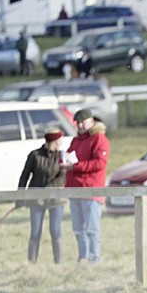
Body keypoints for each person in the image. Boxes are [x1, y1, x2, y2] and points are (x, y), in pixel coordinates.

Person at [62, 109, 109, 265]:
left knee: (91, 229)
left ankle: (94, 259)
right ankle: (83, 258)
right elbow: (69, 156)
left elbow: (99, 163)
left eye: (83, 122)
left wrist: (76, 167)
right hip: (75, 190)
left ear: (92, 121)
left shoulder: (99, 139)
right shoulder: (76, 141)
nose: (80, 125)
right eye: (78, 122)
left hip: (91, 190)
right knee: (78, 229)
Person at [17, 127, 67, 264]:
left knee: (55, 231)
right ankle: (31, 263)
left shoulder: (62, 156)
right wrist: (20, 196)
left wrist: (47, 190)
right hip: (36, 200)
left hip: (56, 200)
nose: (60, 144)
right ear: (52, 141)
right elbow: (25, 176)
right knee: (35, 232)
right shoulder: (34, 155)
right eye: (58, 141)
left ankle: (59, 263)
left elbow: (62, 178)